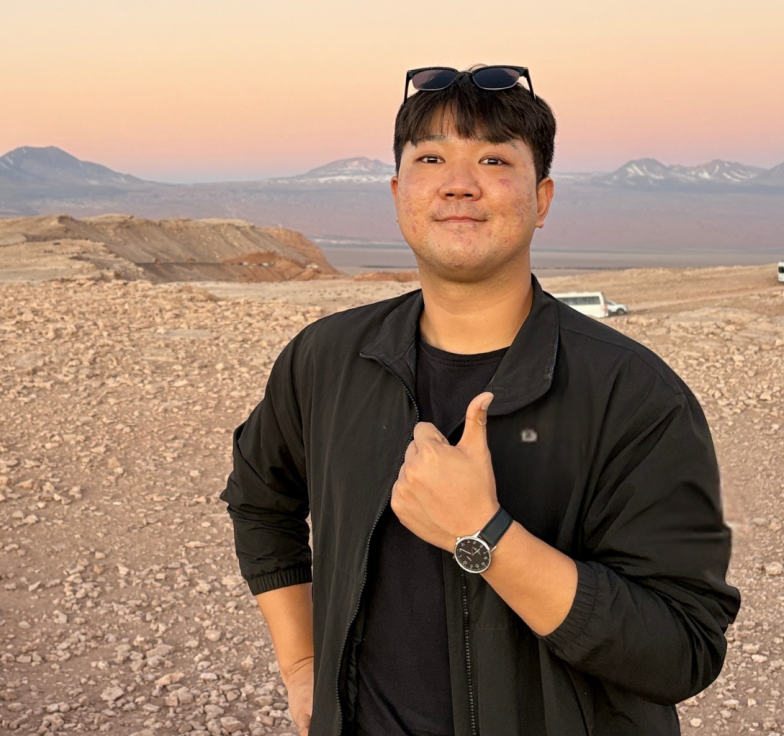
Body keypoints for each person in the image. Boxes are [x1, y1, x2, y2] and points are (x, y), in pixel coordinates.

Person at [220, 65, 740, 736]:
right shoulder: (327, 359)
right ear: (399, 193)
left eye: (494, 160)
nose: (459, 182)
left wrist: (484, 535)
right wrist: (301, 665)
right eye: (431, 158)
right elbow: (260, 502)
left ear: (542, 198)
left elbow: (682, 648)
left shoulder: (633, 393)